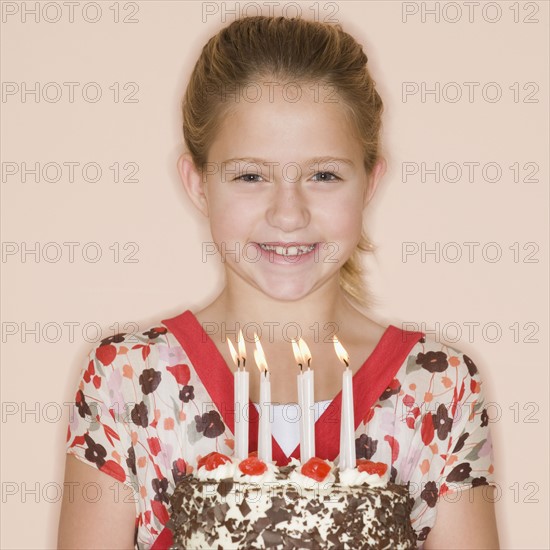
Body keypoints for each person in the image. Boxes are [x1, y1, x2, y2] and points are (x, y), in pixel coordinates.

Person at [57, 15, 499, 549]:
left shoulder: (438, 387)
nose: (288, 214)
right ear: (198, 183)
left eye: (323, 175)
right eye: (250, 175)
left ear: (370, 181)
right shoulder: (128, 381)